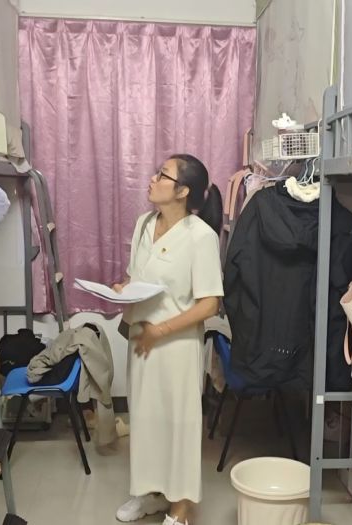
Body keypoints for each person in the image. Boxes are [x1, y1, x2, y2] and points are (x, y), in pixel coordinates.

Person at [113, 154, 224, 525]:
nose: (152, 178)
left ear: (183, 191)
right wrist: (122, 289)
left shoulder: (201, 237)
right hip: (141, 340)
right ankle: (149, 493)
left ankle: (180, 508)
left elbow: (210, 303)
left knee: (179, 426)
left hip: (175, 346)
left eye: (162, 175)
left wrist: (159, 331)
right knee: (145, 421)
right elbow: (138, 277)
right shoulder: (144, 224)